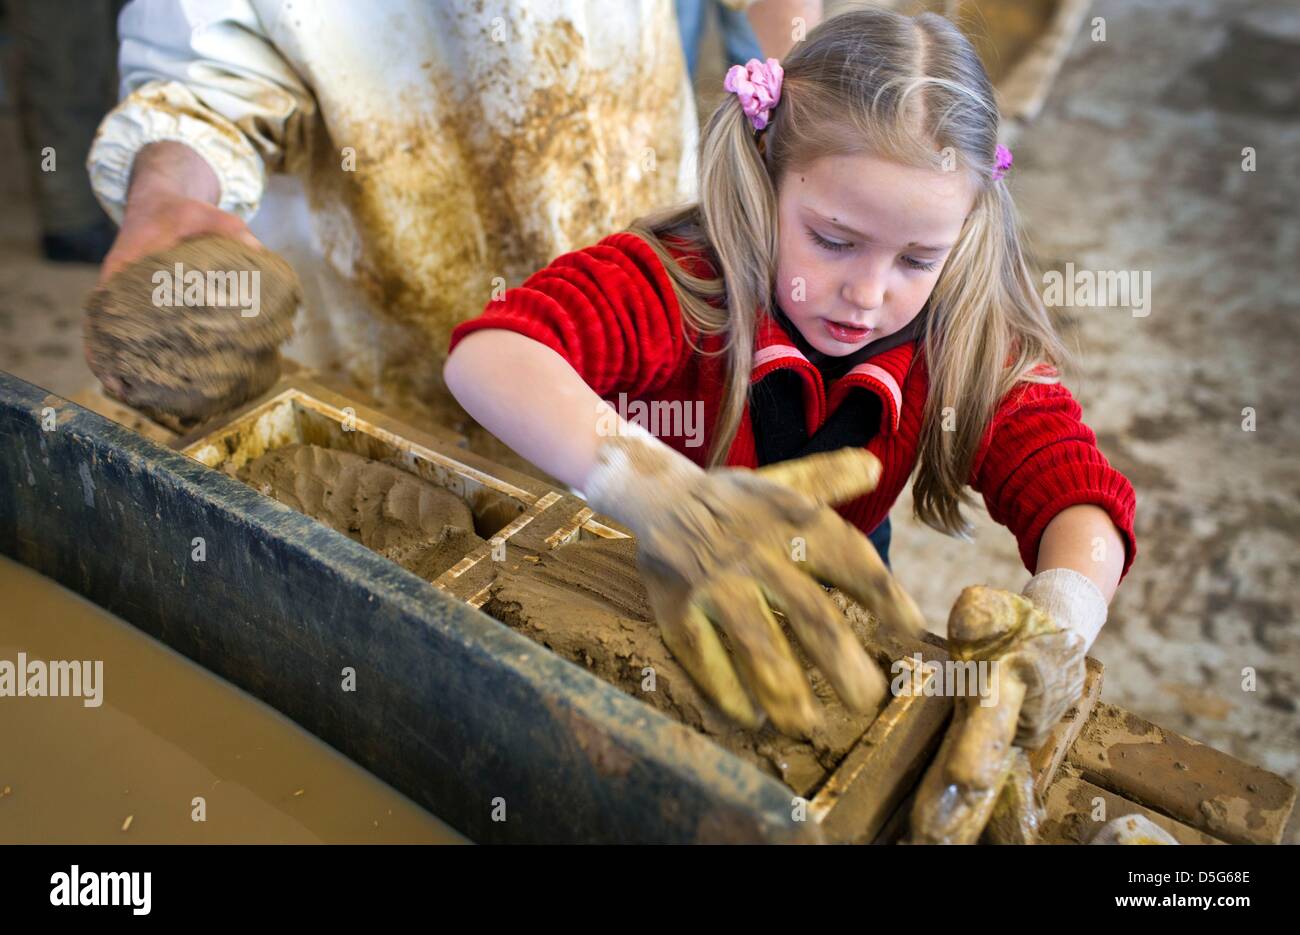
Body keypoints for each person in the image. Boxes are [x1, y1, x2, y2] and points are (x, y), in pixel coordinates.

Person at [444, 8, 1136, 739]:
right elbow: (489, 356)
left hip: (836, 582)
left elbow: (1075, 490)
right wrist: (659, 493)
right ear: (764, 173)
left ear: (965, 229)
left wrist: (1062, 619)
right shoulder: (681, 282)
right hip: (642, 569)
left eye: (916, 258)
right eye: (833, 240)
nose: (869, 294)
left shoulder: (957, 333)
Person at [85, 0, 698, 415]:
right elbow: (204, 71)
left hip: (639, 245)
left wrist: (788, 118)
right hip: (373, 299)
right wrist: (169, 193)